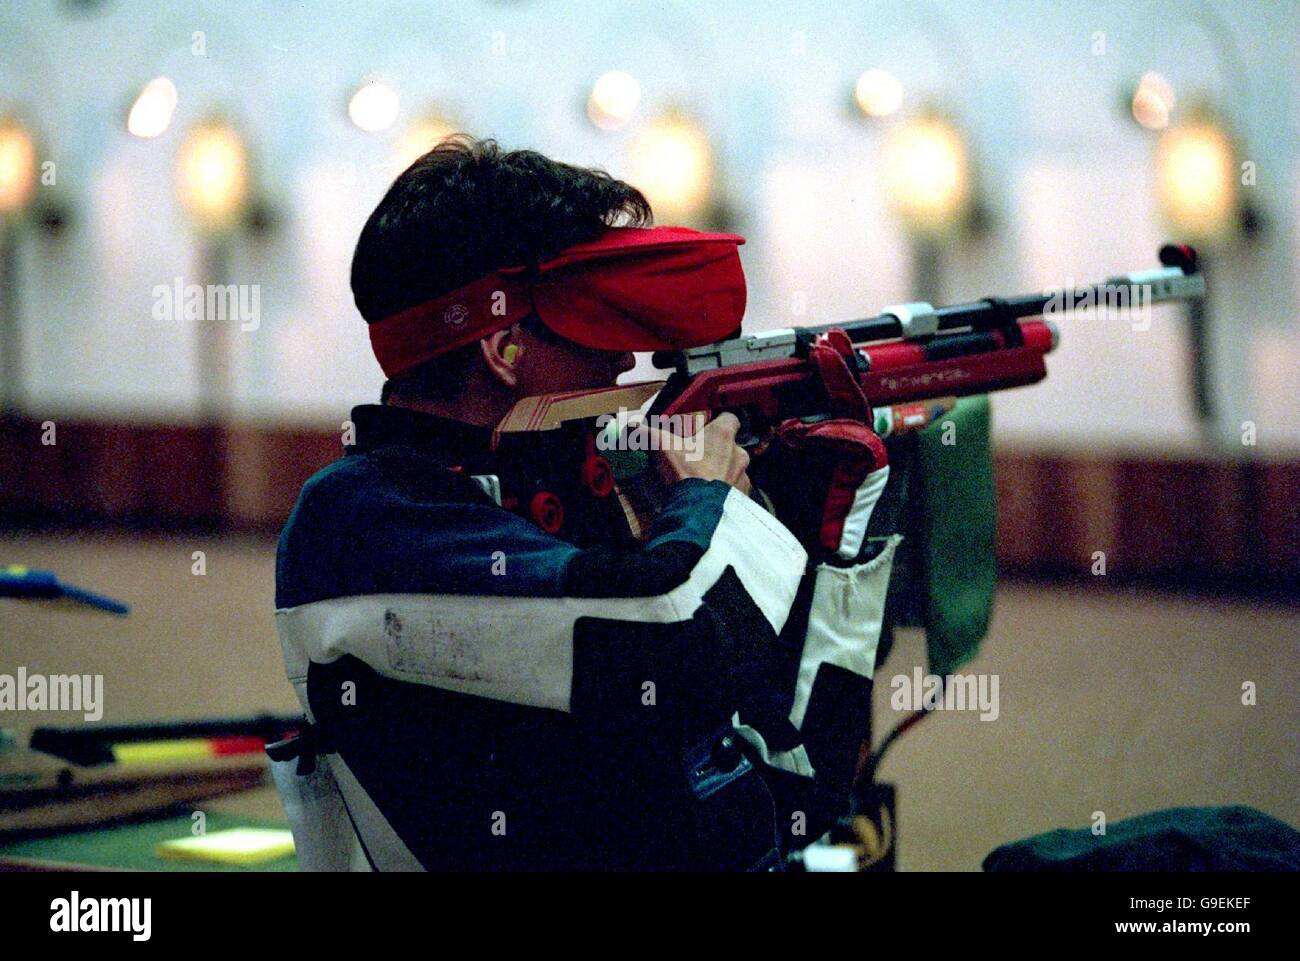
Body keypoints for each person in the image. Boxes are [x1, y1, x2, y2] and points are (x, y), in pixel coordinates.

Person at [270, 136, 897, 871]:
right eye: (594, 324)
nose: (623, 360)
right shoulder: (357, 521)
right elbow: (671, 639)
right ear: (503, 348)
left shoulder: (546, 497)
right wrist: (703, 500)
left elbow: (789, 790)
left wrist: (828, 512)